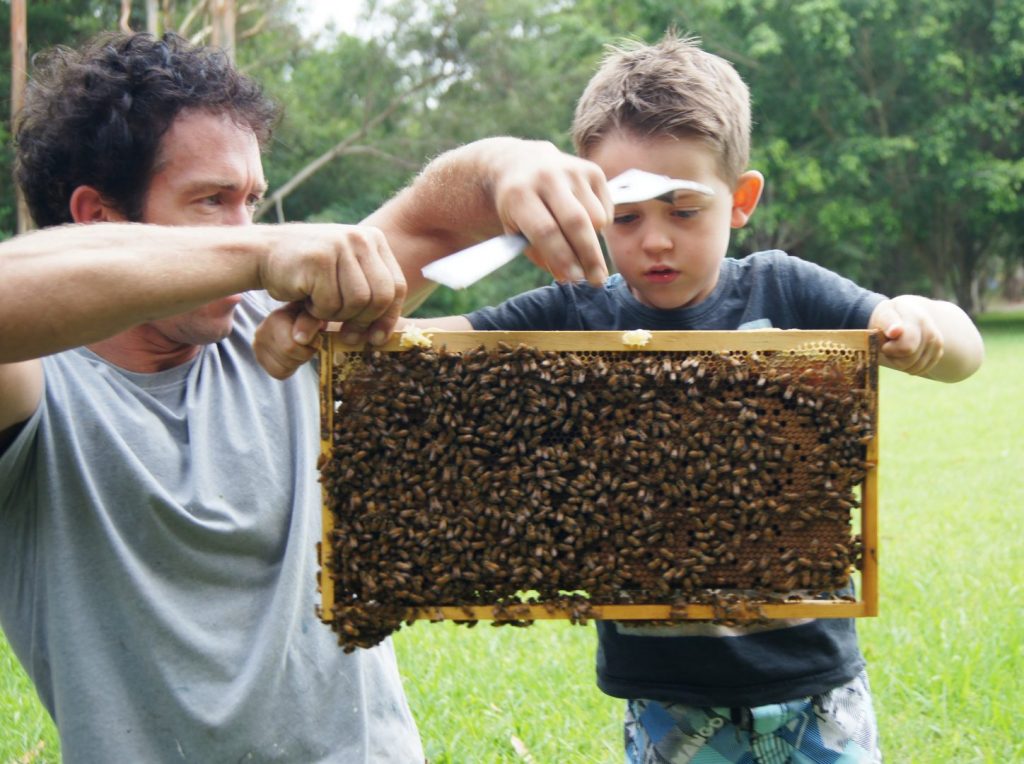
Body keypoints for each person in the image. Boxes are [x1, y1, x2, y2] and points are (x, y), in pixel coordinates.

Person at [0, 32, 613, 762]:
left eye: (252, 204)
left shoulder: (284, 329)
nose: (245, 227)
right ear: (99, 217)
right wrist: (261, 254)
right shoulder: (35, 390)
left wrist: (515, 163)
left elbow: (433, 217)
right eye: (211, 201)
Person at [395, 34, 985, 763]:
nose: (654, 243)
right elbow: (413, 353)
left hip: (814, 688)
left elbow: (965, 351)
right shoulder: (575, 312)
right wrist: (350, 304)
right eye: (626, 216)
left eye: (682, 210)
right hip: (669, 704)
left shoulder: (784, 288)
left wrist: (927, 328)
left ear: (741, 201)